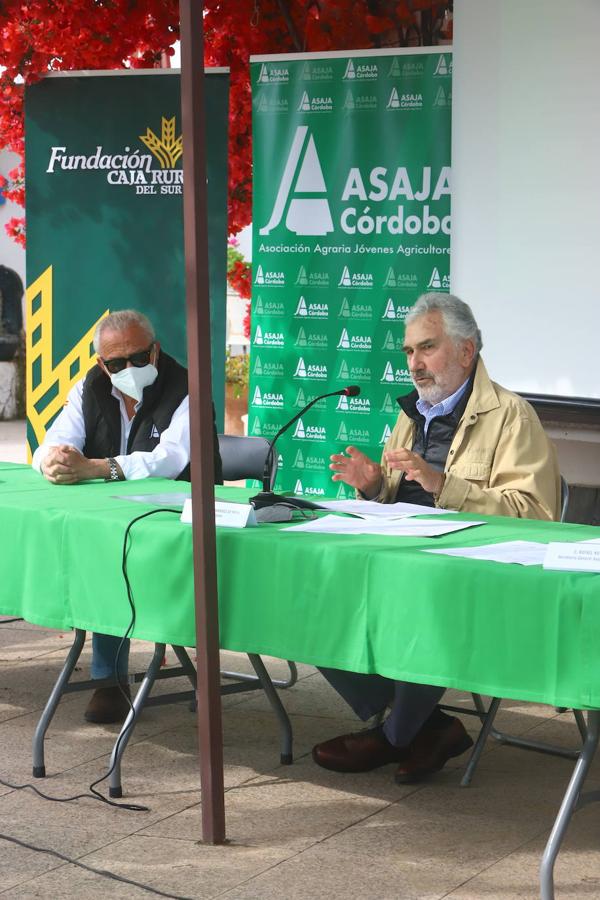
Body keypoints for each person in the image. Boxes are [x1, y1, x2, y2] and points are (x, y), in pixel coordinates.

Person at [312, 292, 560, 783]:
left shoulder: (512, 416)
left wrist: (444, 485)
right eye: (408, 352)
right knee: (318, 598)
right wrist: (373, 487)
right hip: (406, 556)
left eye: (426, 348)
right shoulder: (412, 413)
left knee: (428, 603)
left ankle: (395, 736)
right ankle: (432, 727)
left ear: (466, 351)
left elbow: (535, 515)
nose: (415, 364)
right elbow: (398, 501)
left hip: (470, 572)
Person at [32, 309, 222, 724]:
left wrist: (97, 468)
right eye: (117, 364)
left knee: (111, 554)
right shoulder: (91, 385)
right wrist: (53, 461)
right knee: (101, 548)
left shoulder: (189, 387)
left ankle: (112, 676)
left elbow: (169, 460)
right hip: (114, 516)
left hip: (181, 515)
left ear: (155, 351)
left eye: (138, 358)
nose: (129, 369)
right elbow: (55, 440)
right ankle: (109, 678)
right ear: (103, 364)